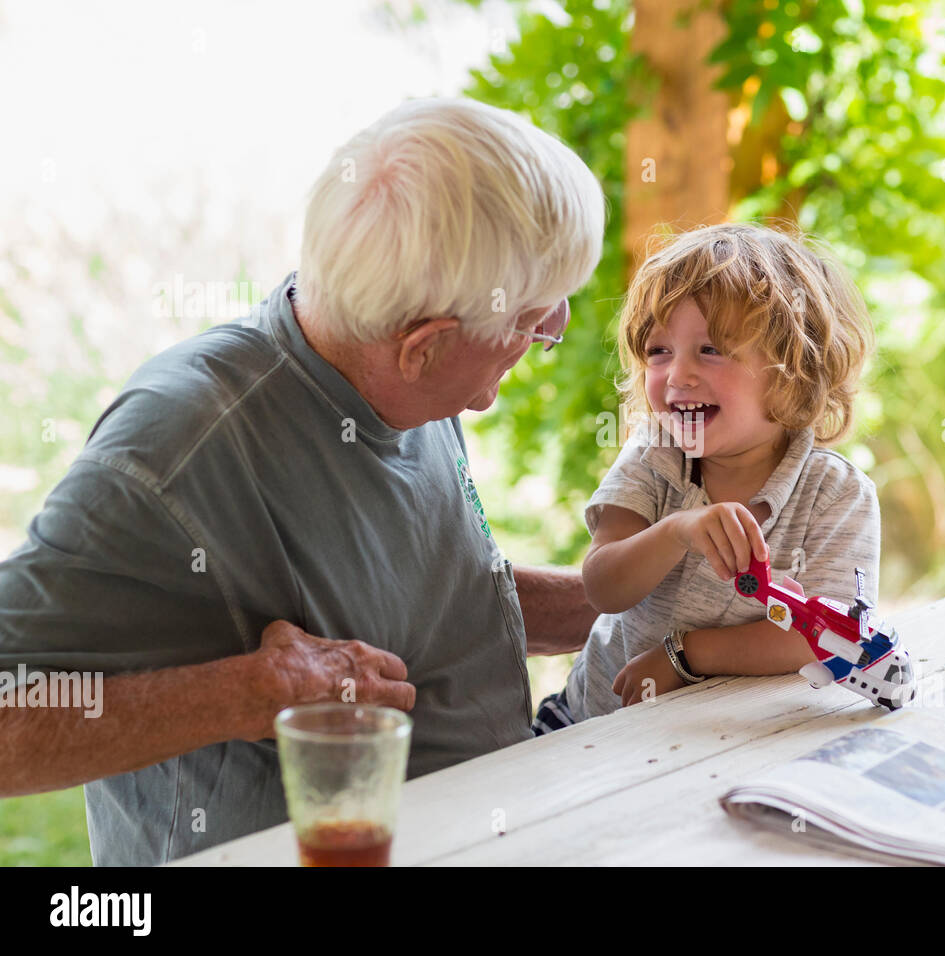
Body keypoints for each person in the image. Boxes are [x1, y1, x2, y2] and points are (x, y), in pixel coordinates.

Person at [0, 97, 605, 865]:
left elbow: (426, 598)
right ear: (423, 345)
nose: (545, 336)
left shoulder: (400, 375)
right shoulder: (178, 450)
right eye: (531, 324)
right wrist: (248, 693)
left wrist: (639, 598)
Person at [532, 222, 879, 733]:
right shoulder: (654, 457)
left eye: (710, 350)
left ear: (794, 368)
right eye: (658, 350)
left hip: (730, 740)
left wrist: (683, 655)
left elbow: (826, 637)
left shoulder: (837, 495)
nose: (677, 376)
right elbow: (603, 586)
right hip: (591, 726)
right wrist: (679, 531)